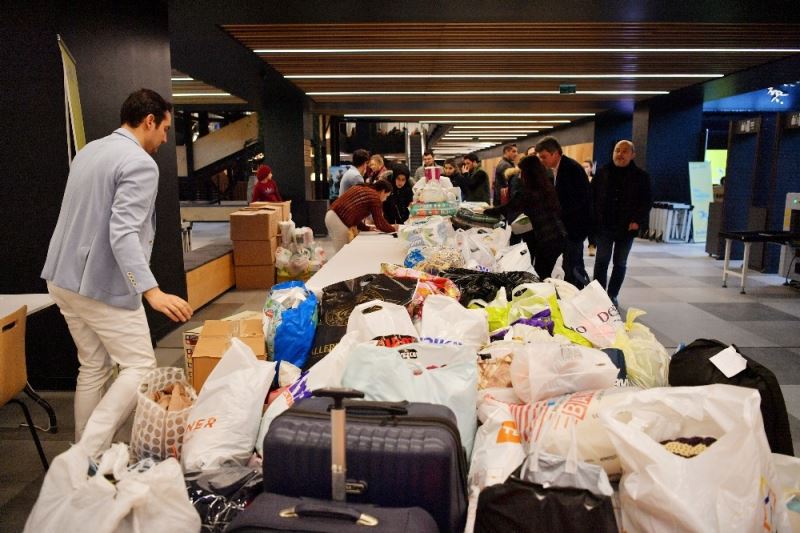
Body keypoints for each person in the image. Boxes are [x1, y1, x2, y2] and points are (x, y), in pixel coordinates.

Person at [41, 89, 193, 457]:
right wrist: (151, 291)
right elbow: (122, 232)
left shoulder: (90, 151)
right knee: (140, 365)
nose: (164, 138)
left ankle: (83, 456)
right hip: (99, 283)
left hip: (62, 277)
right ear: (149, 121)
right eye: (164, 129)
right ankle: (89, 451)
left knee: (92, 365)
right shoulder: (140, 163)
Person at [591, 140, 652, 306]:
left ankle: (612, 294)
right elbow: (593, 197)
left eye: (625, 151)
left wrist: (637, 221)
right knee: (601, 260)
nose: (620, 154)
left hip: (627, 227)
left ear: (633, 155)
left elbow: (646, 202)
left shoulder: (641, 177)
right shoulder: (602, 172)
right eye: (617, 150)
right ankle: (598, 294)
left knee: (620, 262)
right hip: (604, 225)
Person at [485, 156, 566, 279]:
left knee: (542, 274)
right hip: (558, 235)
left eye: (522, 172)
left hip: (546, 239)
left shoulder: (527, 192)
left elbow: (508, 207)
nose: (520, 175)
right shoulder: (547, 187)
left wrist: (486, 211)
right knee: (544, 272)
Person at [535, 136, 592, 289]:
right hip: (565, 226)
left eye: (544, 157)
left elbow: (579, 201)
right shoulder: (557, 169)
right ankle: (576, 290)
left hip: (574, 227)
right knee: (570, 263)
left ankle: (576, 293)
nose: (542, 160)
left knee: (572, 265)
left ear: (555, 153)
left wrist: (556, 211)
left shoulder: (571, 169)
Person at [325, 180, 398, 252]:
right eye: (386, 196)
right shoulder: (374, 196)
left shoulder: (364, 189)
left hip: (331, 215)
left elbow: (355, 218)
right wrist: (394, 229)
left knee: (341, 250)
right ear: (382, 191)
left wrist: (367, 228)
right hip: (339, 220)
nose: (385, 199)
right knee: (342, 252)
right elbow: (380, 223)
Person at [582, 159, 597, 256]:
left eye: (586, 167)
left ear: (591, 168)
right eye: (582, 167)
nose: (584, 169)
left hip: (592, 208)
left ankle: (592, 246)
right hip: (581, 208)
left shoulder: (594, 180)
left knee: (592, 229)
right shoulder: (578, 180)